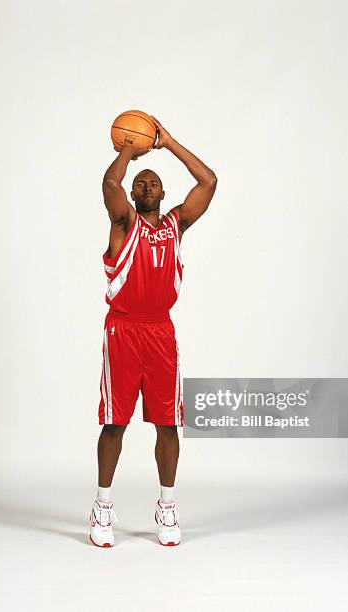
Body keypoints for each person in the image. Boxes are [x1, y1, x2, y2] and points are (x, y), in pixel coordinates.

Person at [89, 116, 217, 547]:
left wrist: (167, 142)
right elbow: (111, 184)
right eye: (140, 184)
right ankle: (103, 505)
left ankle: (166, 506)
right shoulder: (124, 222)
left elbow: (208, 181)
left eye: (153, 183)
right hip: (123, 331)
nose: (145, 187)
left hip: (161, 333)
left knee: (168, 423)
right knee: (114, 423)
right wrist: (130, 149)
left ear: (163, 193)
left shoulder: (175, 225)